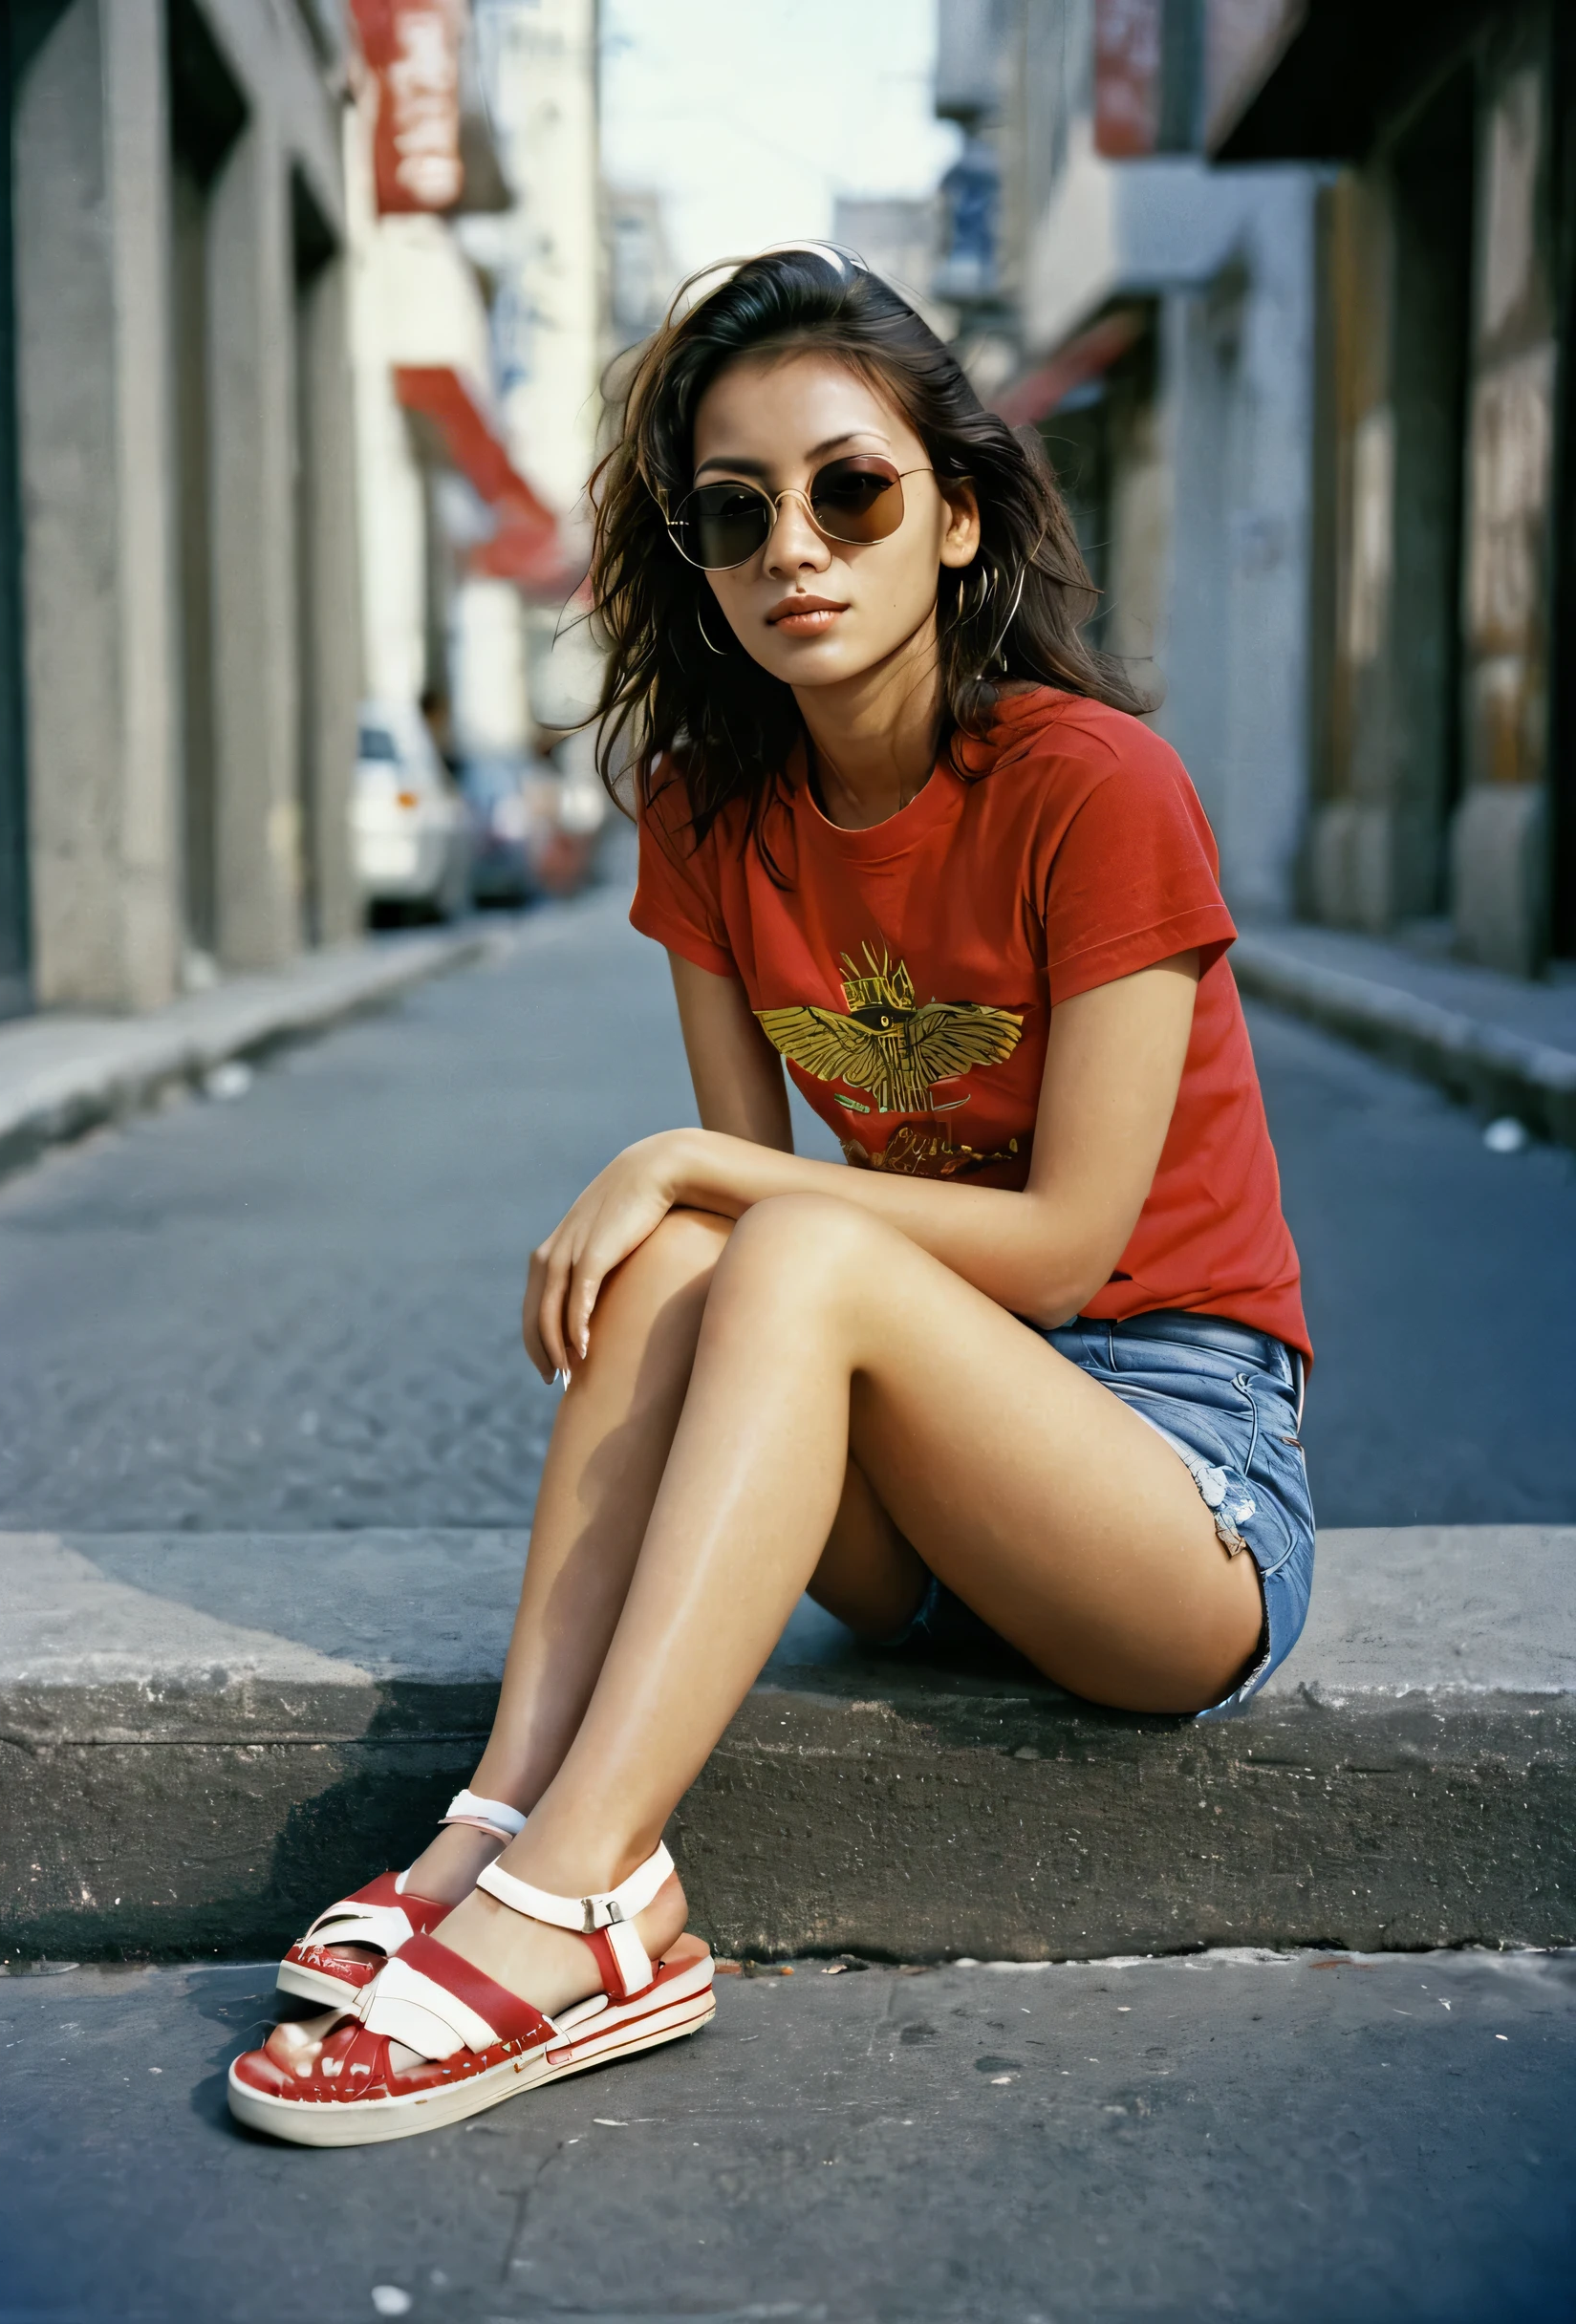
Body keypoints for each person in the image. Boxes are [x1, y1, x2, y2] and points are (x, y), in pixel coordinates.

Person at [228, 246, 1314, 2145]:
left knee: (752, 1219)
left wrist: (698, 1160)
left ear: (957, 514)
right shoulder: (712, 814)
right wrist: (705, 1186)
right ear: (700, 568)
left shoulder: (1095, 786)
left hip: (1174, 1487)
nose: (792, 549)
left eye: (850, 488)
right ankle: (519, 1819)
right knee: (696, 1247)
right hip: (924, 1495)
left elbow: (1066, 1245)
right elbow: (736, 1231)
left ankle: (569, 1898)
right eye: (735, 516)